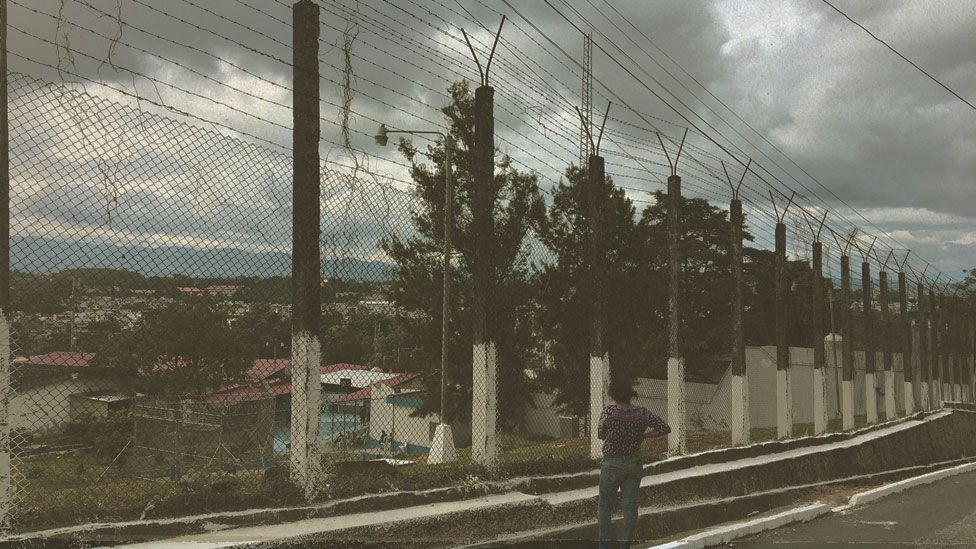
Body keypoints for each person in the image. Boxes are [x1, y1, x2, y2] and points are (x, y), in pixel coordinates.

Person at [597, 378, 670, 549]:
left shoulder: (609, 412)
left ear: (613, 394)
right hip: (634, 464)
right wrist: (644, 435)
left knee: (605, 508)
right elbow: (664, 428)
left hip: (612, 464)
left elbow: (601, 434)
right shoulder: (642, 413)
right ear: (630, 394)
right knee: (629, 508)